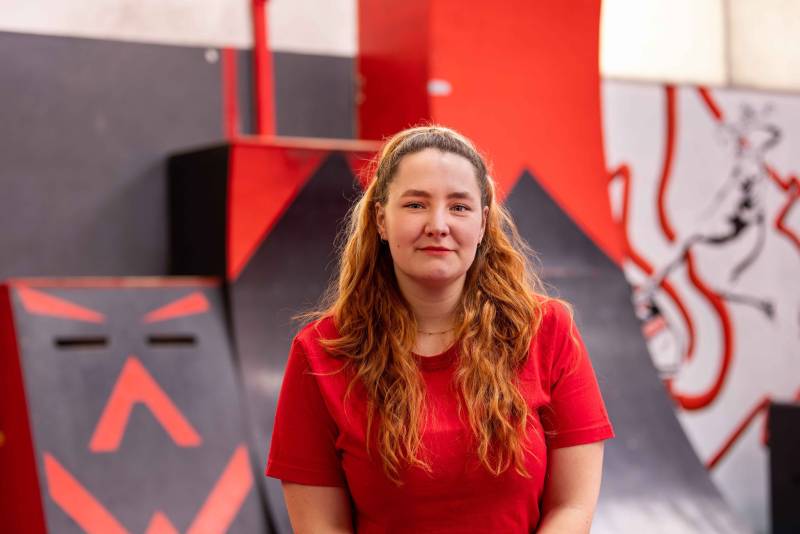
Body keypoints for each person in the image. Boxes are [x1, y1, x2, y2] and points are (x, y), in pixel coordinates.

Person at [266, 125, 614, 533]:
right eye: (416, 204)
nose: (438, 224)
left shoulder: (547, 332)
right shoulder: (321, 352)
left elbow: (572, 507)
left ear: (483, 224)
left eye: (459, 207)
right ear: (381, 219)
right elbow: (321, 527)